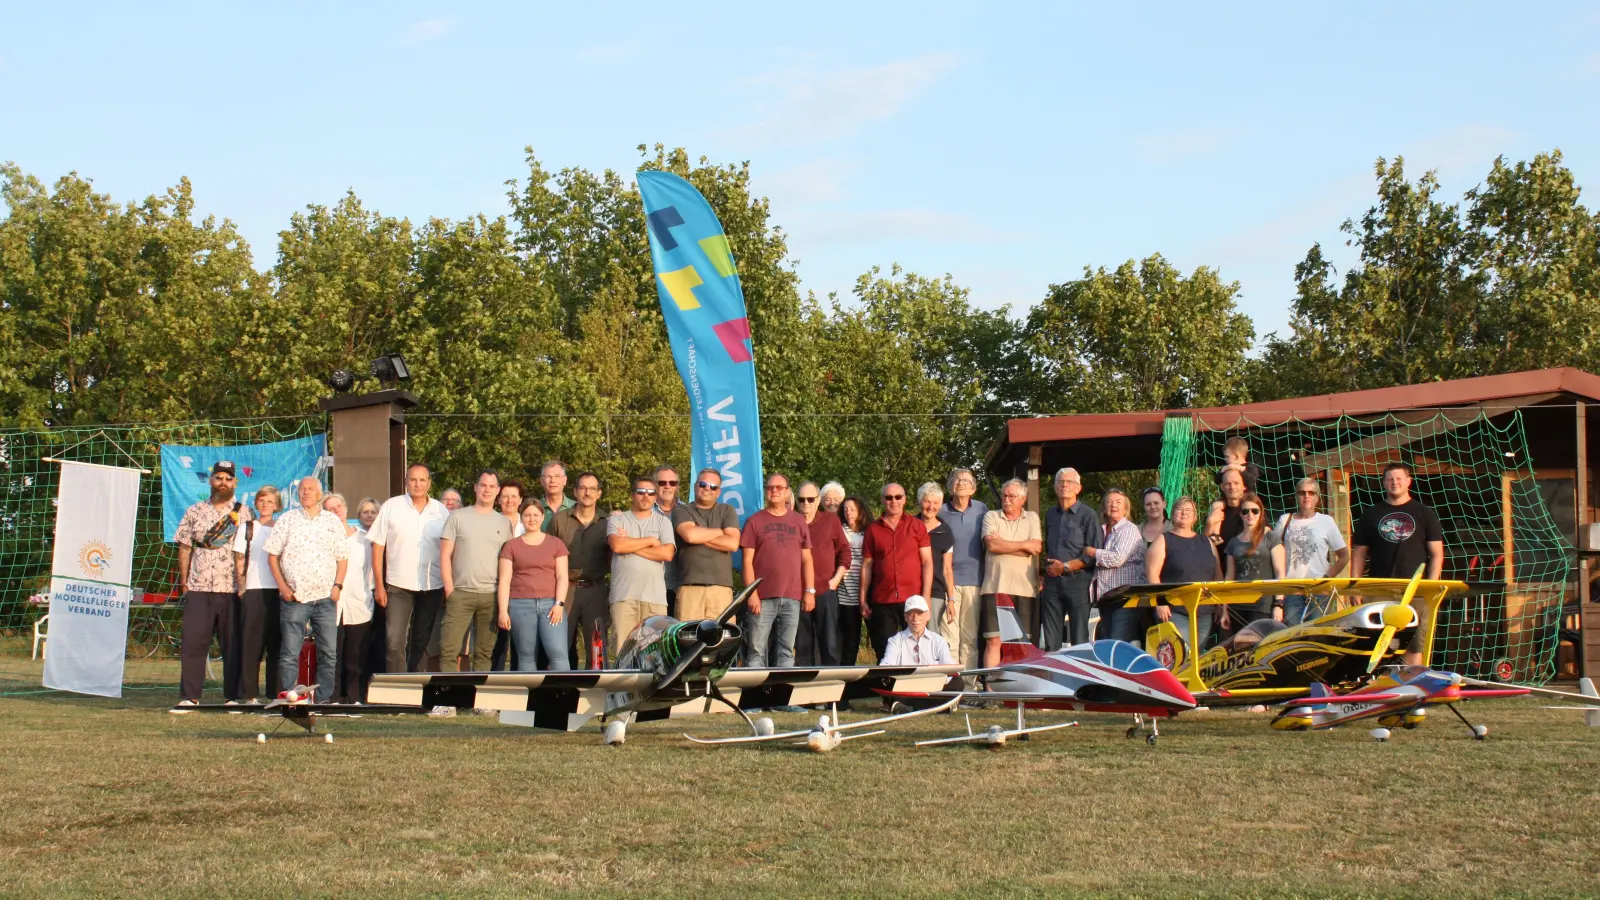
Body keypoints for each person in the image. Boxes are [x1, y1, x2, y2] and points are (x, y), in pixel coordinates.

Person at [171, 461, 252, 710]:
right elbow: (184, 548)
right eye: (218, 477)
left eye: (228, 478)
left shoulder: (245, 512)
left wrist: (244, 585)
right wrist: (184, 583)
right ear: (210, 481)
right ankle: (190, 696)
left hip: (231, 588)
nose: (223, 482)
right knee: (194, 645)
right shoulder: (194, 511)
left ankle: (232, 696)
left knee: (232, 645)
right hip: (199, 586)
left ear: (234, 482)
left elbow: (249, 553)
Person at [1351, 461, 1445, 666]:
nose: (1395, 483)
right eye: (1390, 479)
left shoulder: (1425, 513)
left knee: (1414, 640)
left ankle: (1412, 686)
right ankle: (1375, 686)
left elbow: (1437, 553)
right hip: (1379, 587)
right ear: (1383, 483)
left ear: (1408, 482)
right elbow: (1359, 553)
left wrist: (1430, 585)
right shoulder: (1370, 515)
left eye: (1399, 478)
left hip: (1415, 589)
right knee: (1374, 638)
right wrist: (1355, 588)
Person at [264, 478, 348, 704]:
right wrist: (282, 586)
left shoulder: (332, 521)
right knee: (290, 652)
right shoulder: (287, 520)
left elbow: (342, 558)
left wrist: (337, 586)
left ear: (320, 494)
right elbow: (272, 555)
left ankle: (323, 699)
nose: (305, 492)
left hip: (325, 598)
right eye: (302, 489)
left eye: (310, 489)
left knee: (328, 653)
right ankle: (290, 699)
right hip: (295, 598)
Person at [368, 464, 450, 673]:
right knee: (394, 640)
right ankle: (398, 688)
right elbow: (377, 547)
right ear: (406, 482)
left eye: (422, 480)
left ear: (429, 483)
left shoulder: (441, 511)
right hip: (398, 585)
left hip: (432, 585)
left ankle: (416, 687)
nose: (417, 484)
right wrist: (379, 585)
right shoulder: (391, 506)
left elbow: (449, 549)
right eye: (413, 479)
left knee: (421, 642)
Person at [439, 470, 515, 673]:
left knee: (484, 653)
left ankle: (481, 702)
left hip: (491, 595)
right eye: (483, 485)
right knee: (449, 650)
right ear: (475, 487)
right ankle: (446, 701)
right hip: (461, 593)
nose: (487, 490)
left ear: (498, 491)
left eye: (492, 486)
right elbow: (445, 555)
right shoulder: (457, 517)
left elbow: (507, 563)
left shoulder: (503, 522)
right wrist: (450, 591)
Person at [740, 473, 815, 667]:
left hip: (792, 597)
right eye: (770, 487)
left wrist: (810, 591)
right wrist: (752, 594)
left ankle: (781, 695)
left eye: (779, 487)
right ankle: (755, 696)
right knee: (756, 651)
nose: (774, 491)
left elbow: (807, 559)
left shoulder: (798, 521)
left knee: (786, 651)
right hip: (762, 597)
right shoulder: (754, 521)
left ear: (787, 492)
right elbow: (747, 561)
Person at [862, 482, 933, 662]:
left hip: (912, 599)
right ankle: (887, 688)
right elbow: (867, 565)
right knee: (885, 649)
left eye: (898, 497)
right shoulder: (873, 530)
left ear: (904, 499)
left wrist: (926, 596)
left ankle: (914, 688)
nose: (893, 501)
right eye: (888, 497)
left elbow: (927, 562)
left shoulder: (917, 526)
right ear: (882, 500)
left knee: (916, 648)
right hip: (883, 598)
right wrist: (862, 598)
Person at [606, 475, 675, 659]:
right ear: (632, 495)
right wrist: (652, 541)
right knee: (623, 652)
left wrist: (631, 544)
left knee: (656, 653)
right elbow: (617, 546)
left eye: (651, 492)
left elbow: (667, 554)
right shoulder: (617, 520)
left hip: (655, 598)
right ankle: (621, 688)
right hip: (624, 597)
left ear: (655, 497)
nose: (646, 496)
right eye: (641, 492)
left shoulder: (663, 522)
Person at [498, 500, 571, 671]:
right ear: (521, 518)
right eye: (527, 515)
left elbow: (562, 577)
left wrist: (559, 604)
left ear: (542, 517)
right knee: (526, 654)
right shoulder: (511, 546)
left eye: (536, 515)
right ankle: (529, 694)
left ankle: (563, 692)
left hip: (551, 606)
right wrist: (503, 612)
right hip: (520, 605)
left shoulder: (556, 544)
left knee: (558, 652)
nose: (532, 519)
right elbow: (504, 580)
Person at [551, 472, 611, 668]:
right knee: (560, 645)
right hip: (565, 589)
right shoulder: (559, 520)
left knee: (596, 647)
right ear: (575, 492)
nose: (587, 493)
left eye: (592, 489)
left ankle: (593, 693)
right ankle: (561, 691)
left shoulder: (608, 522)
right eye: (583, 488)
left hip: (595, 590)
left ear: (599, 493)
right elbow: (547, 555)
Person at [1145, 496, 1221, 650]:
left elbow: (1218, 575)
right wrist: (1161, 602)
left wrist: (1221, 604)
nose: (1184, 513)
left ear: (1195, 517)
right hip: (1174, 610)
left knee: (1198, 654)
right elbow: (1152, 573)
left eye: (1189, 510)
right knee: (1181, 653)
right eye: (1180, 509)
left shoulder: (1207, 542)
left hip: (1204, 609)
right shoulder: (1163, 540)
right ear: (1172, 515)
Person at [1272, 477, 1350, 622]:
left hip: (1320, 591)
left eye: (1311, 492)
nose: (1306, 496)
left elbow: (1344, 555)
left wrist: (1327, 578)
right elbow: (1273, 551)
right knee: (1293, 636)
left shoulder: (1326, 521)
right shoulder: (1285, 520)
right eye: (1302, 492)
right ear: (1296, 496)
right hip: (1291, 590)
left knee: (1317, 635)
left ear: (1317, 498)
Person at [980, 479, 1040, 665]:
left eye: (1012, 496)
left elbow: (1036, 547)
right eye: (1004, 495)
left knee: (1020, 645)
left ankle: (1016, 691)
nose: (1007, 500)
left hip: (1024, 589)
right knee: (993, 641)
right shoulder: (991, 516)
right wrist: (1024, 546)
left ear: (1023, 498)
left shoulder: (1032, 518)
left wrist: (1002, 545)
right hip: (995, 587)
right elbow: (991, 544)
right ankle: (990, 688)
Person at [229, 484, 279, 703]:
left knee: (277, 644)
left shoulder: (283, 526)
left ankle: (275, 693)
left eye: (269, 501)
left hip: (279, 590)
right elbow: (239, 559)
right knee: (252, 644)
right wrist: (242, 586)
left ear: (277, 504)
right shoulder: (247, 527)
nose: (265, 504)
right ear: (256, 503)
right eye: (261, 500)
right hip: (254, 589)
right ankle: (250, 694)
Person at [1041, 467, 1101, 652]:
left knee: (1079, 639)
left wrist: (1065, 567)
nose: (1065, 485)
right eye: (1060, 482)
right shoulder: (1050, 515)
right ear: (1055, 487)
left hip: (1078, 582)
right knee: (1051, 640)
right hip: (1052, 582)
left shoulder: (1088, 515)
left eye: (1069, 482)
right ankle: (1053, 678)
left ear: (1078, 488)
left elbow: (1092, 554)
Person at [324, 493, 375, 704]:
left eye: (338, 506)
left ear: (345, 509)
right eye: (329, 508)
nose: (335, 510)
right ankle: (333, 696)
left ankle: (356, 697)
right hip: (330, 605)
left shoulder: (364, 539)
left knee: (356, 655)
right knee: (331, 655)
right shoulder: (322, 541)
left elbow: (372, 572)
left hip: (359, 603)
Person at [672, 468, 741, 622]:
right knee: (688, 642)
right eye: (703, 484)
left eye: (713, 486)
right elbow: (690, 535)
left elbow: (732, 543)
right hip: (690, 589)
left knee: (722, 641)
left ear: (719, 492)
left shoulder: (727, 510)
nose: (707, 489)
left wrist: (699, 535)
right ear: (695, 486)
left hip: (721, 590)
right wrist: (721, 531)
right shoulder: (682, 510)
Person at [939, 468, 988, 685]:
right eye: (957, 480)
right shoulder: (940, 511)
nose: (961, 483)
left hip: (975, 581)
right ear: (950, 486)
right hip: (946, 582)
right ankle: (951, 684)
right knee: (949, 636)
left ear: (974, 488)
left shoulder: (982, 510)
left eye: (966, 480)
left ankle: (968, 684)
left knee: (969, 638)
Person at [796, 480, 851, 666]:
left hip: (825, 590)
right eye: (801, 499)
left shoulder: (830, 520)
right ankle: (804, 689)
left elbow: (845, 552)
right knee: (802, 645)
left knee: (829, 644)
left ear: (818, 500)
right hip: (798, 592)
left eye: (810, 499)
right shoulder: (791, 522)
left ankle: (831, 690)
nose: (806, 504)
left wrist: (835, 580)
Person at [1086, 488, 1145, 644]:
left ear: (1126, 508)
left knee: (1118, 643)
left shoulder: (1129, 530)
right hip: (1106, 598)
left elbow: (1116, 559)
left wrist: (1092, 552)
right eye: (1109, 502)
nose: (1114, 505)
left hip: (1125, 597)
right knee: (1107, 642)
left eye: (1119, 502)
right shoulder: (1100, 529)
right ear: (1104, 507)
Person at [1222, 491, 1285, 628]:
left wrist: (1278, 604)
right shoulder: (1233, 543)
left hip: (1263, 604)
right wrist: (1224, 609)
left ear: (1260, 513)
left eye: (1254, 511)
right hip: (1237, 604)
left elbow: (1280, 573)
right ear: (1240, 514)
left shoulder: (1271, 537)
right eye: (1245, 511)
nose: (1250, 514)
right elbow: (1229, 577)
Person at [916, 482, 958, 652]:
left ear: (940, 505)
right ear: (920, 502)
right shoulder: (910, 525)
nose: (930, 507)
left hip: (935, 592)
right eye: (927, 501)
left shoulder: (945, 532)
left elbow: (947, 569)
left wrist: (951, 600)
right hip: (911, 588)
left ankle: (931, 673)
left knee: (930, 634)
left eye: (935, 503)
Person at [490, 478, 526, 670]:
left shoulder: (529, 522)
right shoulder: (489, 522)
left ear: (521, 500)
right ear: (498, 499)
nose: (509, 500)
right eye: (505, 496)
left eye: (514, 496)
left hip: (523, 591)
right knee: (498, 644)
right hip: (495, 588)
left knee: (521, 645)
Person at [836, 496, 872, 665]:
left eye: (852, 509)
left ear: (860, 511)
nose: (848, 512)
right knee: (850, 638)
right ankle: (846, 674)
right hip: (845, 590)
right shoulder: (840, 530)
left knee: (875, 635)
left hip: (867, 587)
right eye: (845, 509)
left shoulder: (869, 531)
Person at [879, 595, 955, 666]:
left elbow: (949, 670)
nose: (915, 618)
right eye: (911, 614)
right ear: (905, 617)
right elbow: (886, 665)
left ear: (928, 615)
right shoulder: (895, 641)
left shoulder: (939, 641)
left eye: (919, 613)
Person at [654, 464, 683, 617]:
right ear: (654, 485)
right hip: (650, 589)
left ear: (677, 487)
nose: (667, 486)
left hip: (680, 588)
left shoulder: (689, 511)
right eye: (662, 483)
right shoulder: (642, 511)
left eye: (672, 483)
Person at [1206, 468, 1248, 550]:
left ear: (1244, 486)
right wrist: (1209, 523)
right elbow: (1204, 543)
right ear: (1222, 487)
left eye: (1236, 483)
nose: (1232, 487)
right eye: (1227, 484)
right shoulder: (1217, 509)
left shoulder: (1252, 510)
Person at [538, 460, 575, 530]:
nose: (553, 480)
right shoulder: (534, 508)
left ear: (565, 480)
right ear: (541, 481)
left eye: (557, 476)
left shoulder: (576, 507)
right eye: (548, 476)